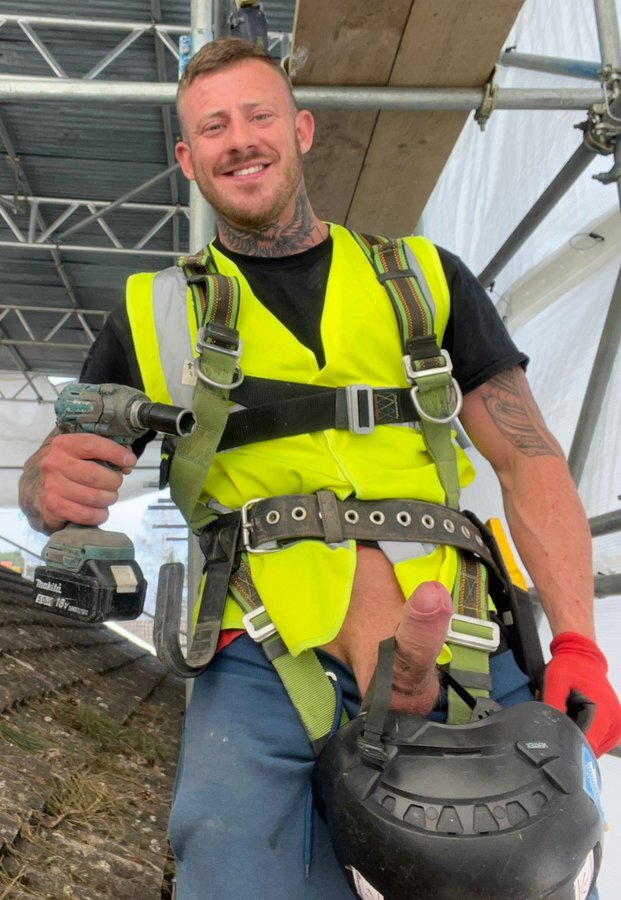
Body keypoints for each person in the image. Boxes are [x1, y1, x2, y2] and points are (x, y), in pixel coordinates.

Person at [19, 38, 620, 900]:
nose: (239, 139)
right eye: (213, 128)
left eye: (257, 115)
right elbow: (61, 472)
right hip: (257, 652)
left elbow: (529, 461)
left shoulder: (423, 280)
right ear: (188, 160)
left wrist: (577, 645)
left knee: (526, 866)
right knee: (231, 865)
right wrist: (43, 488)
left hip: (457, 633)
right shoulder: (150, 313)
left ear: (301, 130)